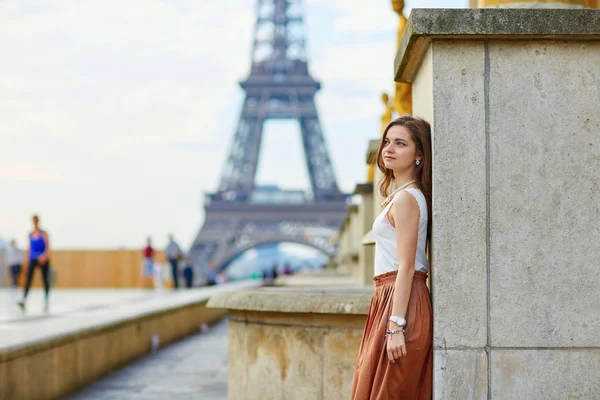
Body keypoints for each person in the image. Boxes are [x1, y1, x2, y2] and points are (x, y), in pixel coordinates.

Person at [351, 116, 433, 399]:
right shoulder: (400, 196)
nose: (389, 149)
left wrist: (396, 325)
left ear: (418, 155)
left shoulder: (406, 199)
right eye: (387, 142)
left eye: (400, 143)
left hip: (400, 301)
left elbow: (407, 266)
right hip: (390, 298)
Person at [18, 215, 52, 312]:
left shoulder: (43, 233)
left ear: (38, 221)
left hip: (42, 258)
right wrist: (27, 258)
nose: (35, 222)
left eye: (36, 220)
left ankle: (46, 300)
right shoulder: (30, 234)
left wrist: (45, 256)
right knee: (28, 278)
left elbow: (47, 246)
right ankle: (23, 299)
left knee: (45, 279)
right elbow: (30, 247)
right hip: (33, 258)